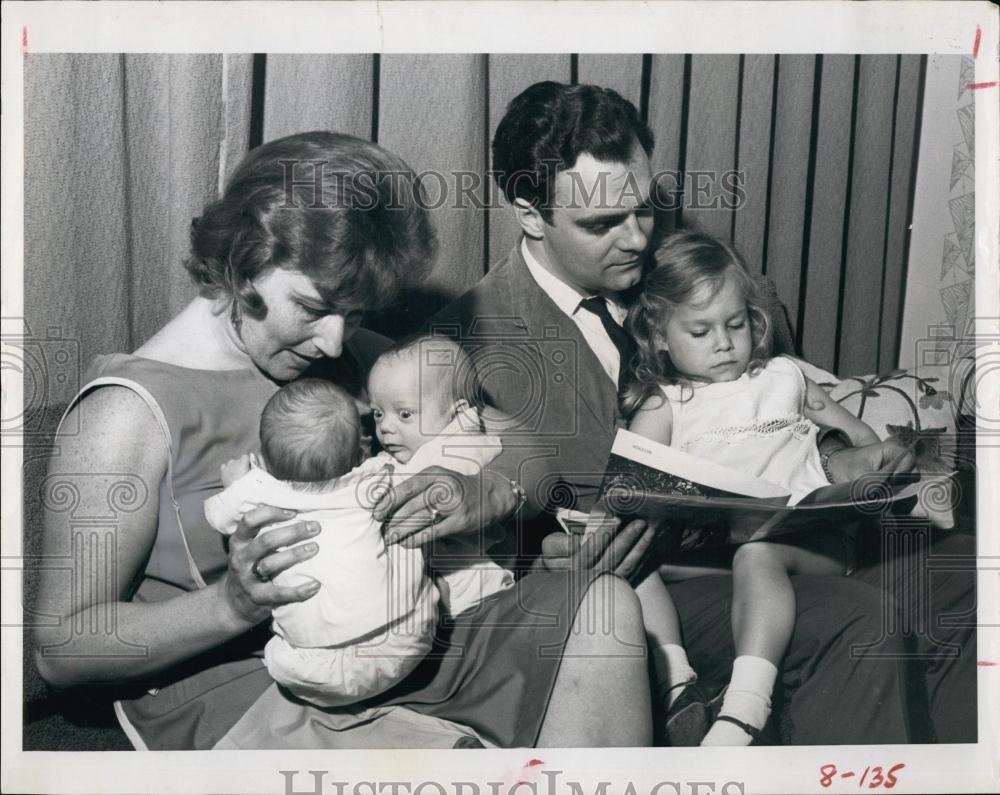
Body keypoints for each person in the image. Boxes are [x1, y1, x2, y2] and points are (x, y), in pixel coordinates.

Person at [378, 80, 977, 744]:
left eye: (643, 207)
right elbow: (483, 558)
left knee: (971, 575)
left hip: (793, 537)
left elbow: (768, 393)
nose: (637, 237)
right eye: (604, 224)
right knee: (854, 619)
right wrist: (546, 561)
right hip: (653, 591)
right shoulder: (462, 345)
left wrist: (845, 457)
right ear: (529, 212)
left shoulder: (682, 273)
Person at [33, 131, 653, 750]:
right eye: (312, 307)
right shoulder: (123, 412)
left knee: (606, 610)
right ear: (243, 256)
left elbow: (528, 448)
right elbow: (62, 648)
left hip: (401, 638)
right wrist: (233, 603)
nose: (333, 342)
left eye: (354, 314)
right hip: (256, 686)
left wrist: (483, 490)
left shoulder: (352, 357)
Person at [621, 230, 890, 745]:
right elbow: (632, 487)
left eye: (736, 324)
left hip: (806, 544)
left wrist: (870, 470)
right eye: (700, 332)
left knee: (757, 554)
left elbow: (861, 436)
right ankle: (677, 685)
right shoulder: (663, 405)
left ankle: (745, 707)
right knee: (628, 560)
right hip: (710, 551)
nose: (723, 343)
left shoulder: (784, 378)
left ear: (753, 319)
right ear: (658, 335)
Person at [204, 341, 513, 708]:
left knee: (278, 654)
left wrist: (237, 482)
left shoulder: (264, 493)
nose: (386, 429)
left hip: (312, 667)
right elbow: (456, 454)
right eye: (378, 415)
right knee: (417, 581)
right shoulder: (378, 476)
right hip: (406, 640)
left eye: (404, 415)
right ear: (358, 452)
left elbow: (220, 515)